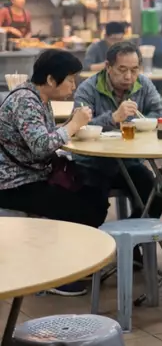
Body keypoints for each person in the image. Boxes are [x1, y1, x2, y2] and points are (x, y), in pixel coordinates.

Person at [0, 49, 107, 296]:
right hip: (13, 183)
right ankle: (54, 275)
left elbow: (43, 137)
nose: (74, 85)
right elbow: (41, 146)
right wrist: (73, 125)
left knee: (95, 193)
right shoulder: (25, 101)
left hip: (33, 177)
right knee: (86, 207)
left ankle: (73, 262)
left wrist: (70, 127)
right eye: (70, 79)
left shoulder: (39, 98)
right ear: (50, 79)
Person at [73, 41, 162, 220]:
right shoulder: (88, 88)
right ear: (108, 67)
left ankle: (130, 236)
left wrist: (135, 123)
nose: (129, 76)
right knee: (92, 210)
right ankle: (100, 238)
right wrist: (113, 118)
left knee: (158, 195)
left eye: (134, 70)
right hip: (93, 163)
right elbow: (78, 127)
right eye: (122, 70)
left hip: (129, 161)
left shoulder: (143, 84)